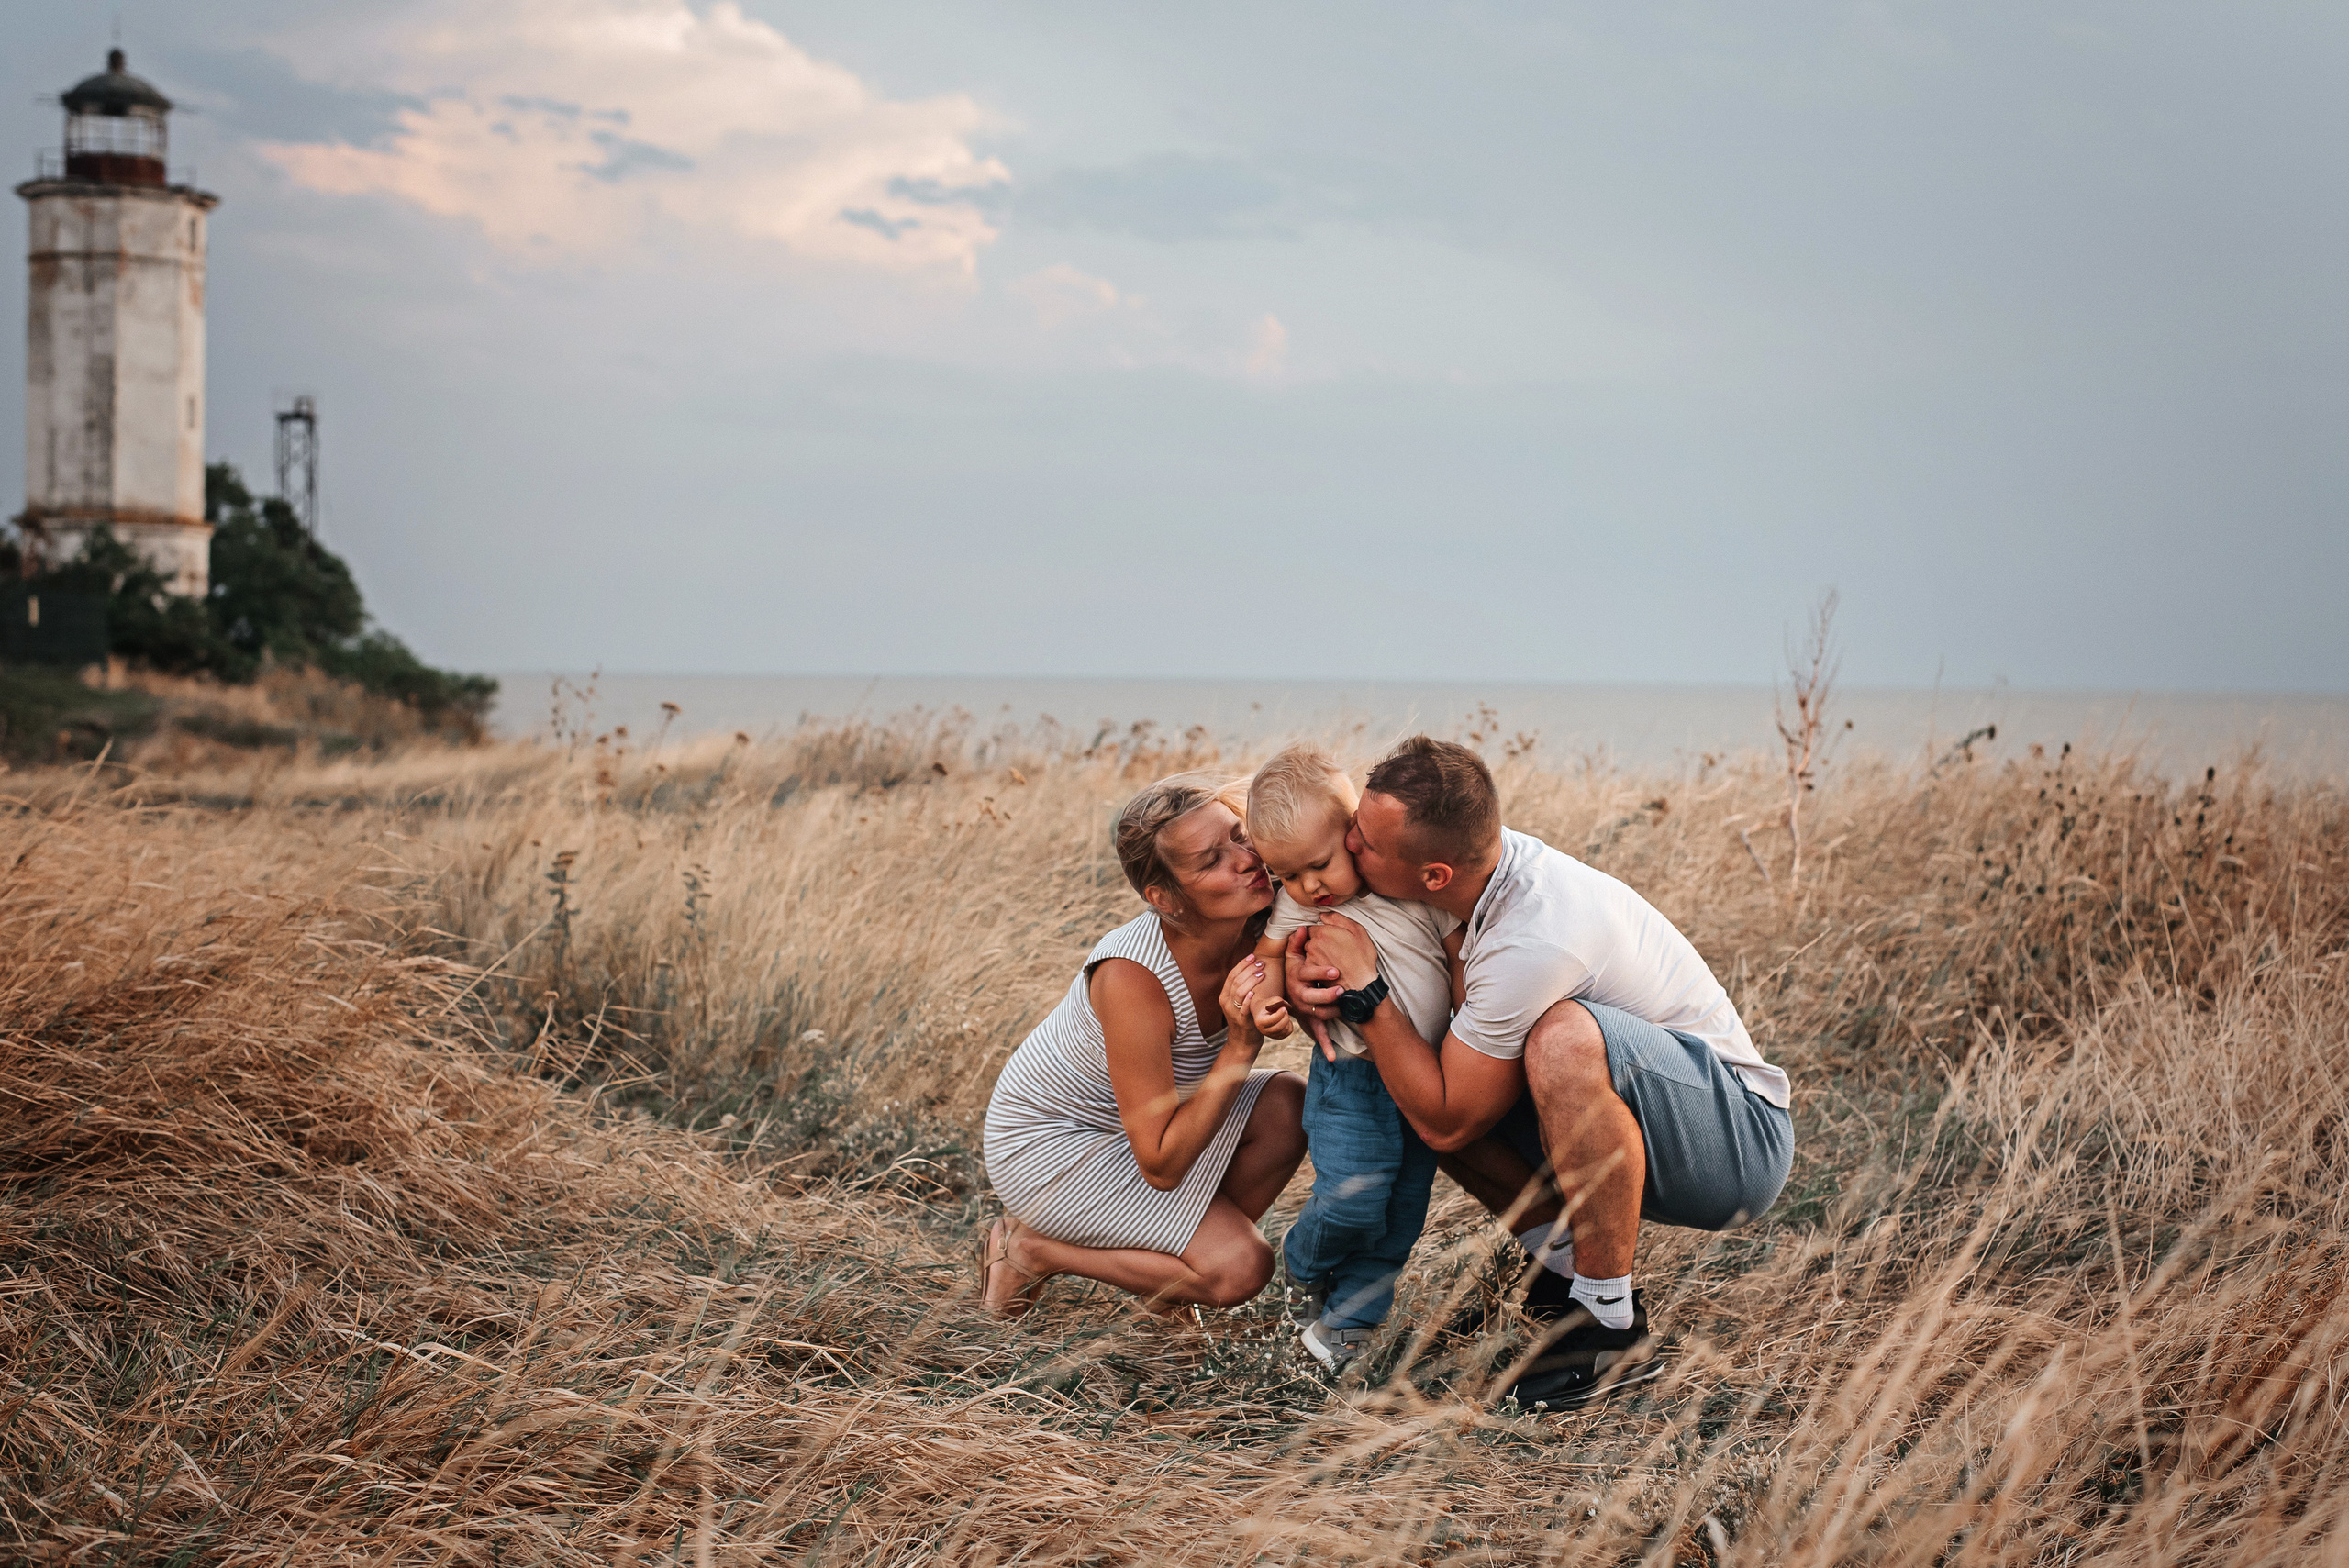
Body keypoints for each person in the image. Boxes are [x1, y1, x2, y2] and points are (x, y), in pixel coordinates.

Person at [1286, 737, 1793, 1410]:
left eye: (1365, 843)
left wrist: (1368, 995)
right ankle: (1563, 1280)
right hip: (1647, 1118)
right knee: (1432, 1061)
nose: (1350, 846)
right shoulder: (1468, 871)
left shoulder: (1533, 933)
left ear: (1434, 874)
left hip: (1734, 1143)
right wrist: (1294, 972)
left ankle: (1608, 1324)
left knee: (1555, 1041)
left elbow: (1448, 1118)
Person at [980, 773, 1307, 1318]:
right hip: (1049, 1146)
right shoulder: (1132, 977)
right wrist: (1240, 1045)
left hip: (1142, 1129)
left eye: (1239, 836)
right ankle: (1031, 1249)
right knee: (1241, 1267)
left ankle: (1171, 1297)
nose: (1246, 860)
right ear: (1164, 898)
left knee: (1288, 1105)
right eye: (1210, 861)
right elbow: (1160, 1165)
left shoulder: (1263, 924)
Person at [1241, 744, 1463, 1372]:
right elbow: (1270, 958)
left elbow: (1459, 957)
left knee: (1399, 1217)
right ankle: (1304, 1261)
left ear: (1355, 834)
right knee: (1353, 1198)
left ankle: (1346, 1329)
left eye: (1320, 863)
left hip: (1422, 1075)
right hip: (1351, 1079)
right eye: (1288, 874)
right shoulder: (1302, 904)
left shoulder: (1413, 888)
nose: (1309, 885)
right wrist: (1270, 1001)